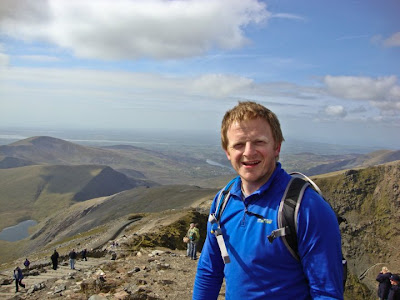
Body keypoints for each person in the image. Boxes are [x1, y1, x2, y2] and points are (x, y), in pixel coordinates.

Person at [192, 101, 343, 299]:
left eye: (259, 142)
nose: (248, 152)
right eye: (238, 145)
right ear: (227, 152)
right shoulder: (223, 201)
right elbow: (209, 271)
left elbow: (326, 293)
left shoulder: (306, 208)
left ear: (277, 147)